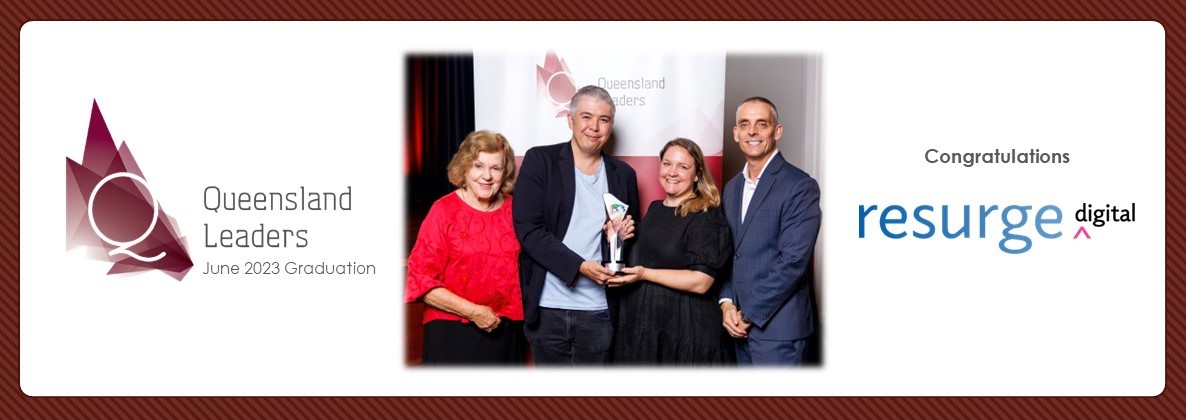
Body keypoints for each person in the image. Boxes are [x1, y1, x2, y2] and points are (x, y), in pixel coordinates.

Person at [513, 85, 639, 365]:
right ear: (570, 120)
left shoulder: (624, 175)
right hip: (548, 308)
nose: (594, 126)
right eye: (586, 116)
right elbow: (528, 230)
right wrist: (580, 266)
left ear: (611, 126)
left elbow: (625, 240)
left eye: (603, 119)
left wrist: (618, 237)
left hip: (599, 310)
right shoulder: (540, 161)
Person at [609, 138, 734, 365]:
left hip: (686, 333)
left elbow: (701, 281)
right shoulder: (655, 210)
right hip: (646, 329)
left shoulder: (706, 216)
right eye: (667, 164)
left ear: (697, 175)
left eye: (683, 166)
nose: (672, 172)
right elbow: (645, 257)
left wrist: (644, 273)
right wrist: (617, 238)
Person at [405, 130, 525, 365]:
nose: (487, 176)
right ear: (465, 168)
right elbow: (421, 281)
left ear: (505, 172)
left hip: (506, 331)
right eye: (478, 166)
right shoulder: (443, 211)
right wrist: (474, 312)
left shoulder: (516, 209)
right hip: (452, 331)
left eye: (495, 168)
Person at [719, 97, 821, 365]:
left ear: (777, 131)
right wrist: (727, 303)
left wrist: (748, 313)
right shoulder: (731, 189)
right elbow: (729, 253)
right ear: (736, 133)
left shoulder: (800, 186)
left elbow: (793, 262)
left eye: (761, 124)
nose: (752, 131)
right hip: (737, 327)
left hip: (779, 332)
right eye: (744, 124)